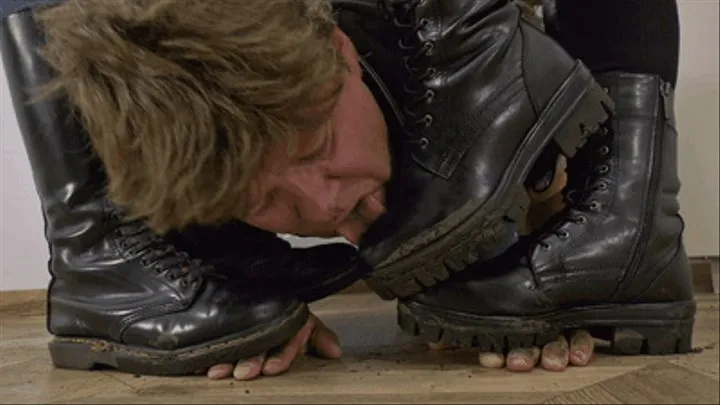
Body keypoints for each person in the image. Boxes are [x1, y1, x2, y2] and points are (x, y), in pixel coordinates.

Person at [0, 0, 692, 381]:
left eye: (316, 147)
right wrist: (237, 299)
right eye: (271, 202)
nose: (325, 202)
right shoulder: (194, 140)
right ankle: (102, 246)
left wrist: (562, 245)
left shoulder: (411, 44)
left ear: (340, 51)